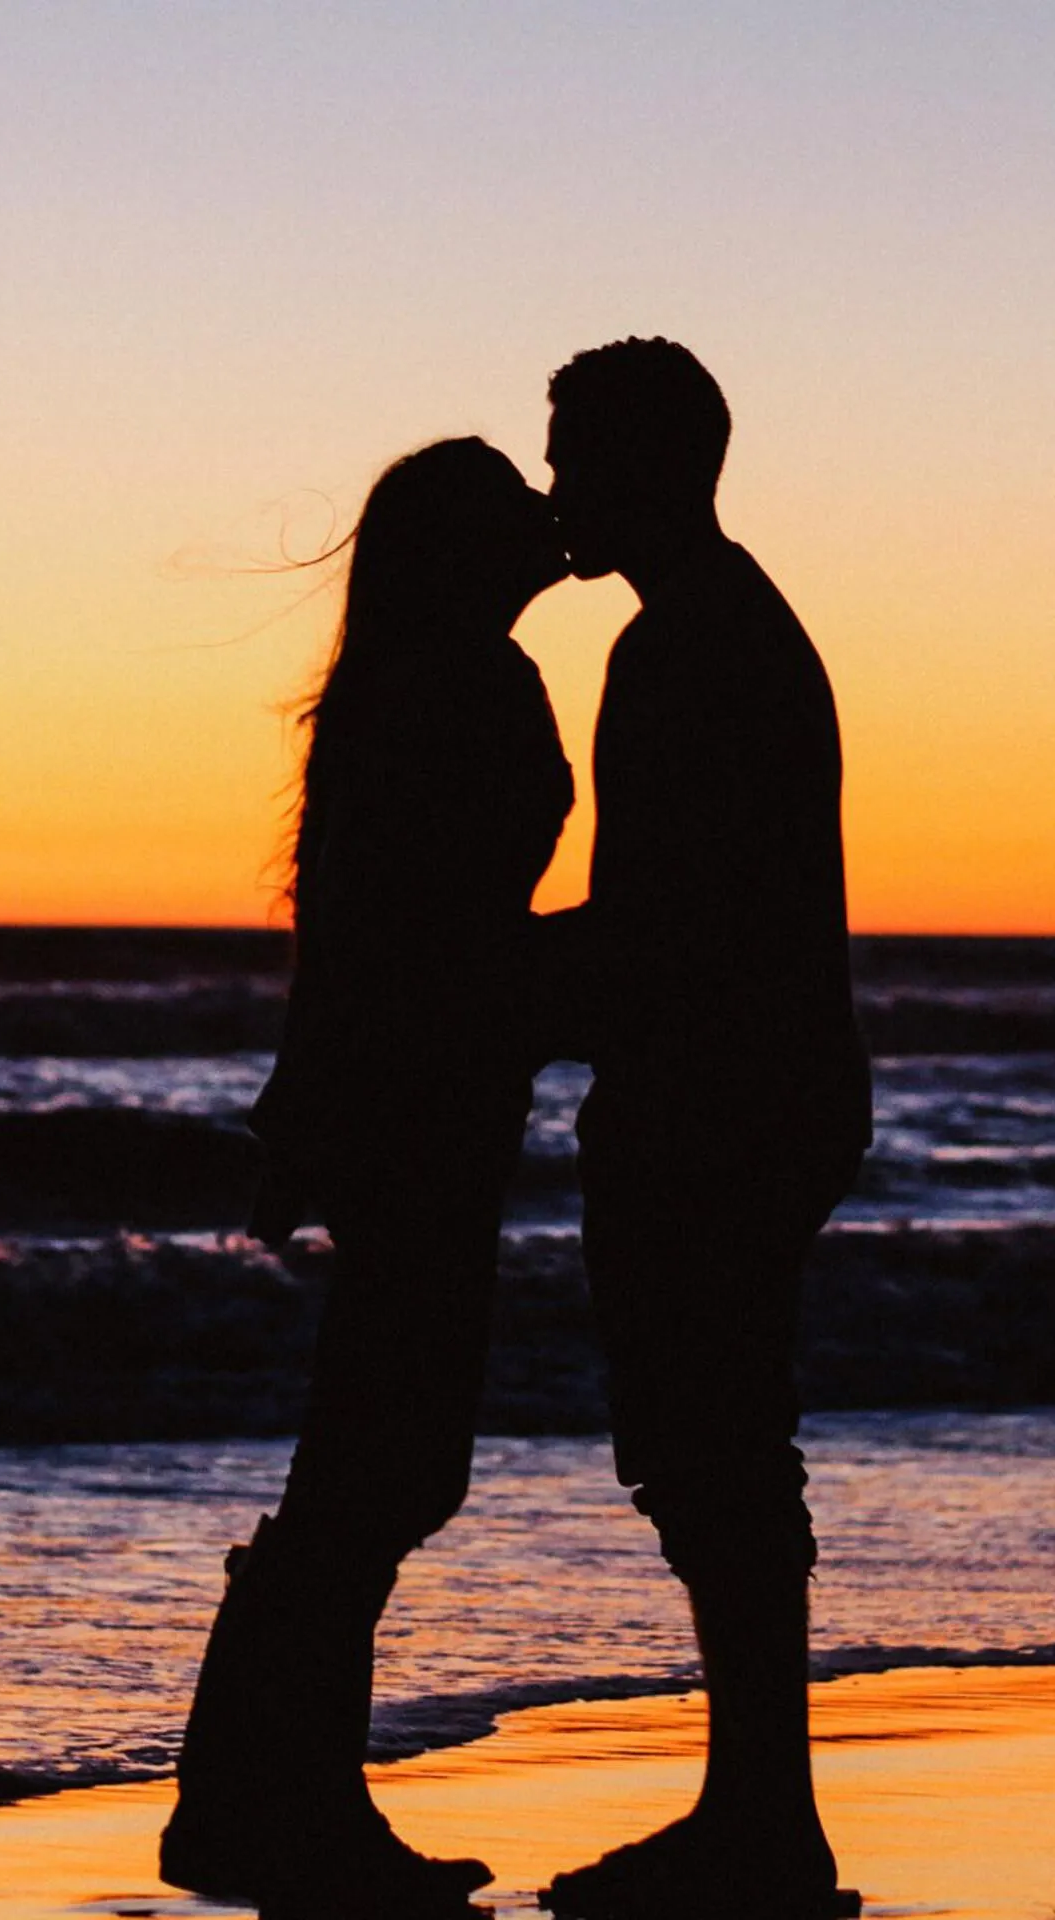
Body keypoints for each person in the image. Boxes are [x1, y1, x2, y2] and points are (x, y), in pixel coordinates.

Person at [159, 437, 574, 1915]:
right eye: (516, 506)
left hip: (421, 1103)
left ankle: (256, 1797)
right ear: (466, 548)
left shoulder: (418, 679)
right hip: (426, 1107)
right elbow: (420, 932)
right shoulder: (456, 684)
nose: (549, 516)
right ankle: (275, 1803)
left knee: (376, 1455)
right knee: (385, 1459)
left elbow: (367, 922)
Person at [536, 339, 871, 1920]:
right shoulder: (724, 629)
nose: (556, 491)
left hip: (720, 1101)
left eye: (573, 456)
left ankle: (763, 1826)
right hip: (766, 1090)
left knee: (712, 1451)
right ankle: (759, 1813)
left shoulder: (686, 650)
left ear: (651, 465)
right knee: (719, 1451)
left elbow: (661, 925)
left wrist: (470, 981)